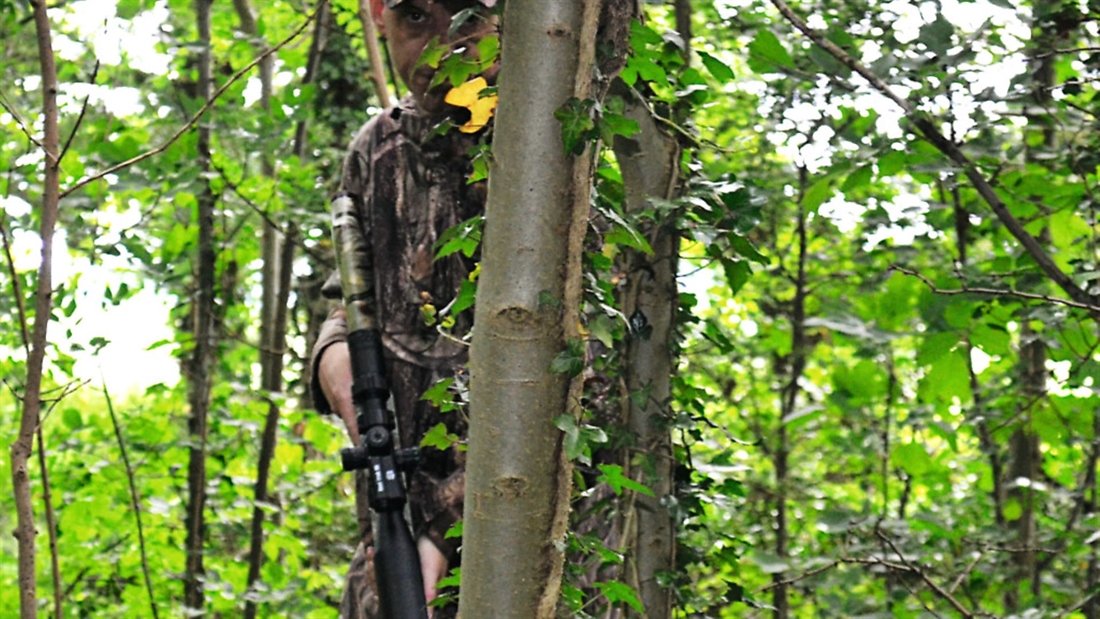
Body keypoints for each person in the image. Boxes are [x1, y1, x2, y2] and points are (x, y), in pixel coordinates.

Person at [309, 1, 498, 617]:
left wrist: (445, 528)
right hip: (390, 539)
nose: (442, 49)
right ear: (377, 13)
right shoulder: (377, 148)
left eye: (467, 20)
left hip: (520, 553)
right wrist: (332, 355)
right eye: (417, 18)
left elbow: (591, 381)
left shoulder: (551, 151)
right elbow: (354, 294)